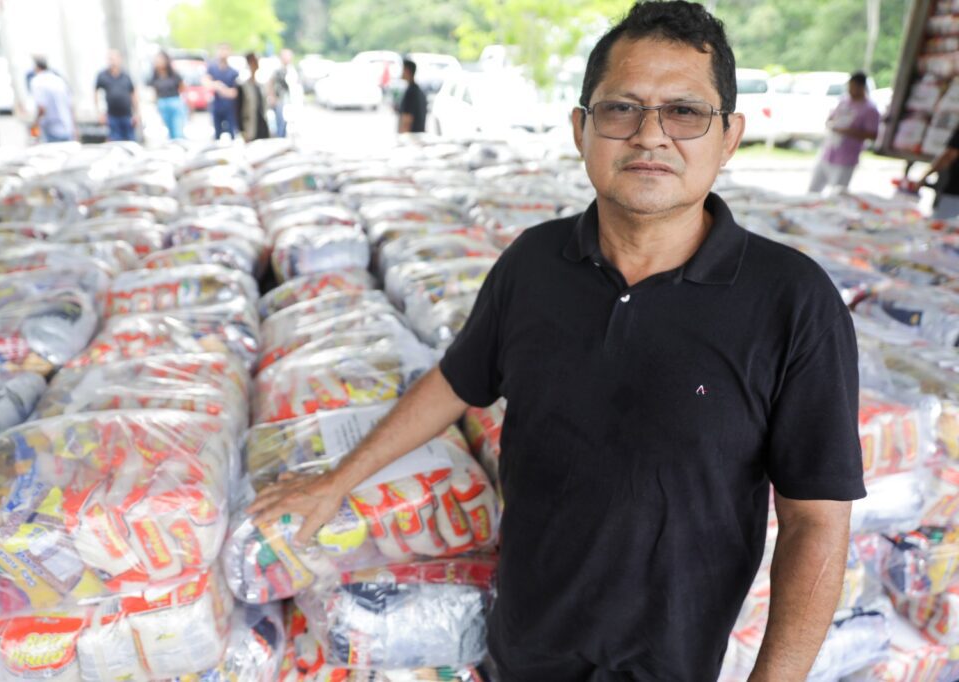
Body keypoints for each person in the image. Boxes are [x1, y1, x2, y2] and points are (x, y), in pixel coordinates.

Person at [248, 2, 864, 680]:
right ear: (581, 129)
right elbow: (457, 381)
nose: (650, 136)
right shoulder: (535, 263)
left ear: (729, 135)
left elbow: (815, 522)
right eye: (621, 109)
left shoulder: (793, 301)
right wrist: (335, 482)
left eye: (685, 112)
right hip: (523, 647)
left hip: (670, 664)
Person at [807, 71, 880, 195]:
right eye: (849, 87)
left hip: (846, 157)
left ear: (861, 87)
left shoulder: (870, 109)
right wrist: (832, 124)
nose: (851, 90)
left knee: (836, 194)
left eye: (854, 87)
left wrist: (848, 131)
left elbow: (873, 134)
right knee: (813, 190)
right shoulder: (844, 101)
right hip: (829, 151)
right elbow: (831, 118)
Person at [95, 49, 139, 142]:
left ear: (120, 59)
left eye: (114, 58)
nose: (112, 61)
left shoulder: (126, 75)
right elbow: (96, 93)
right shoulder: (102, 75)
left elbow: (133, 94)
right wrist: (99, 113)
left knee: (131, 142)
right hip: (112, 116)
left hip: (127, 115)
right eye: (110, 59)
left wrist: (136, 113)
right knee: (116, 143)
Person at [29, 56, 75, 143]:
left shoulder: (37, 81)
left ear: (36, 68)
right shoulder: (59, 80)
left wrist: (35, 124)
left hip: (51, 129)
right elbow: (70, 104)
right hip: (67, 126)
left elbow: (41, 108)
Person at [203, 44, 239, 140]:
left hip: (230, 107)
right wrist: (217, 85)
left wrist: (223, 90)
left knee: (232, 133)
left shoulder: (233, 72)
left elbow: (235, 92)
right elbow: (206, 82)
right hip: (217, 106)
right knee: (217, 134)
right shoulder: (212, 68)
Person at [148, 51, 186, 140]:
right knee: (170, 132)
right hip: (162, 103)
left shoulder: (174, 74)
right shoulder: (155, 76)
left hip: (174, 101)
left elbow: (182, 88)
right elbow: (154, 91)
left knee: (178, 131)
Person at [236, 52, 269, 143]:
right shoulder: (242, 86)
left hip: (262, 126)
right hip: (250, 128)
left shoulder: (260, 85)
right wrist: (242, 131)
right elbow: (238, 110)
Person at [268, 48, 296, 138]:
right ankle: (280, 139)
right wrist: (272, 96)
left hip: (287, 99)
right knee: (280, 122)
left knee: (285, 122)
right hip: (279, 99)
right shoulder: (277, 69)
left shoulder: (291, 70)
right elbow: (270, 83)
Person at [396, 58, 426, 134]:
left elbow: (407, 119)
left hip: (411, 137)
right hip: (418, 135)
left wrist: (403, 137)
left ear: (407, 71)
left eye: (403, 69)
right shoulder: (418, 90)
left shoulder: (411, 92)